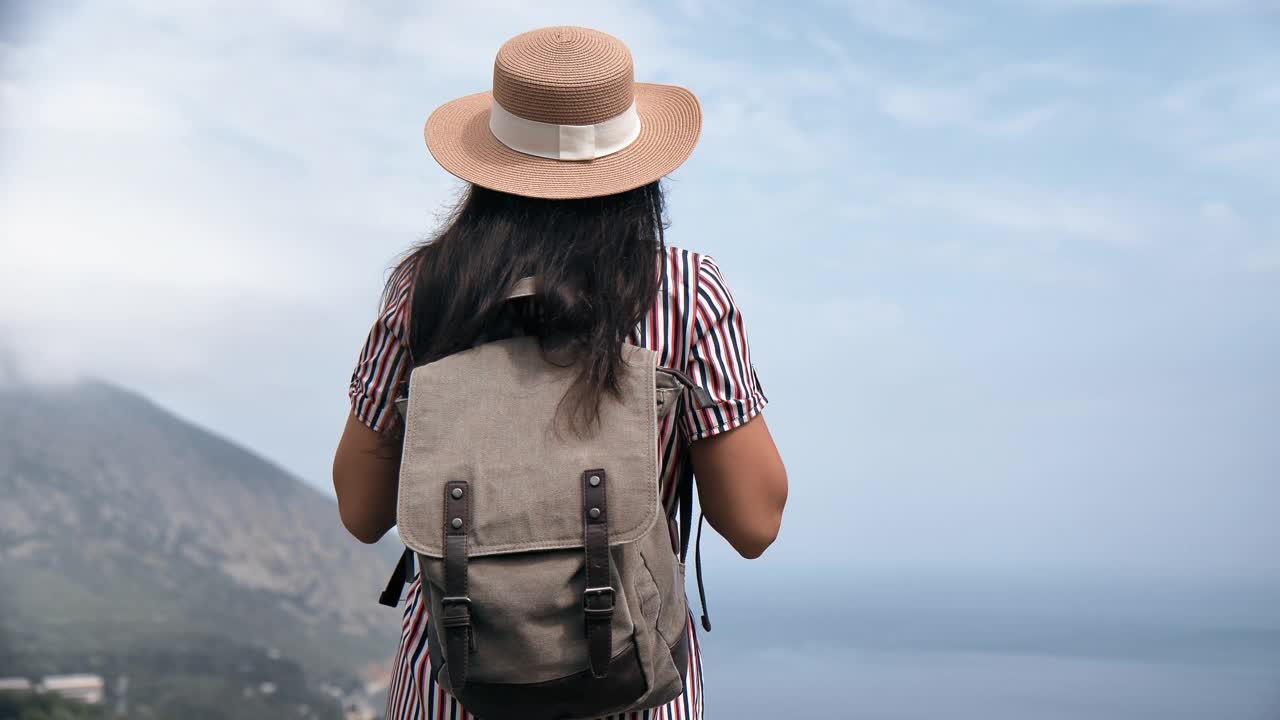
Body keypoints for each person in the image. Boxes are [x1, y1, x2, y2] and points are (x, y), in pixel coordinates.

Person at [332, 25, 787, 720]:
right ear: (639, 168)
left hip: (454, 689)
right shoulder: (687, 293)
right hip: (631, 686)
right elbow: (754, 521)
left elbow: (362, 510)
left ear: (490, 161)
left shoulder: (424, 291)